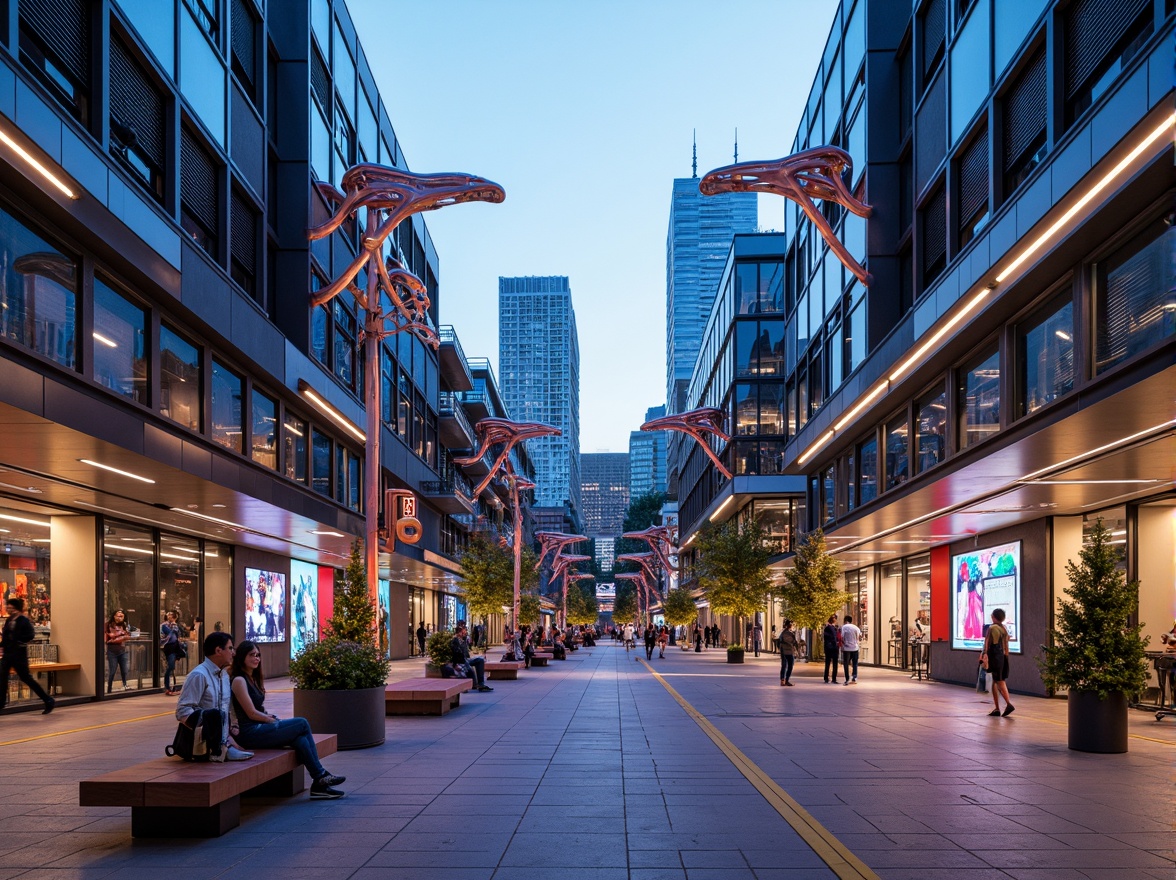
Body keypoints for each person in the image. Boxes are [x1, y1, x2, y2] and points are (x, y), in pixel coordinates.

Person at [229, 640, 346, 798]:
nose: (256, 658)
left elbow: (258, 711)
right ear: (242, 657)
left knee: (299, 740)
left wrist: (268, 717)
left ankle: (319, 783)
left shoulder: (253, 679)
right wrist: (269, 720)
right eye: (251, 655)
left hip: (259, 728)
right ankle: (321, 776)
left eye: (258, 655)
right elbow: (251, 713)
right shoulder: (239, 680)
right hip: (249, 733)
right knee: (302, 723)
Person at [175, 632, 253, 761]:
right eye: (230, 648)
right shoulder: (199, 675)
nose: (233, 653)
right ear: (218, 650)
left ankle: (223, 748)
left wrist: (227, 737)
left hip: (221, 746)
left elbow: (226, 708)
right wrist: (206, 727)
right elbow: (182, 711)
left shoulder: (224, 675)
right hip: (202, 747)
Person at [0, 598, 54, 713]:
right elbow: (6, 636)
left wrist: (19, 641)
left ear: (17, 609)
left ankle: (47, 699)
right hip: (8, 653)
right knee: (2, 677)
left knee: (26, 678)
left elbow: (30, 635)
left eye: (11, 608)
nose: (9, 610)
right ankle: (1, 702)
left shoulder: (23, 620)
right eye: (8, 607)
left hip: (19, 655)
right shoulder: (9, 620)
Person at [981, 608, 1014, 717]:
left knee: (999, 681)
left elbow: (990, 644)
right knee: (996, 681)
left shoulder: (992, 628)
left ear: (994, 617)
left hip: (995, 657)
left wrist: (985, 656)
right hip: (1004, 657)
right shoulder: (1003, 628)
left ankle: (1008, 704)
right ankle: (997, 708)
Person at [451, 624, 492, 691]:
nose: (466, 632)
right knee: (470, 669)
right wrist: (455, 664)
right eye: (464, 631)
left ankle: (481, 683)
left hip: (466, 659)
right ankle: (476, 684)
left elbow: (466, 652)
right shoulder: (455, 640)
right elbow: (456, 654)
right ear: (459, 632)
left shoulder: (463, 640)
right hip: (462, 661)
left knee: (480, 660)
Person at [104, 609, 132, 693]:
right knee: (112, 671)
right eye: (118, 616)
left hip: (122, 650)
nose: (120, 618)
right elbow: (108, 638)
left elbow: (128, 636)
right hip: (112, 651)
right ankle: (109, 688)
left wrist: (116, 637)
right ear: (114, 616)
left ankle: (125, 685)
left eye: (122, 616)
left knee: (125, 670)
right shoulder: (108, 625)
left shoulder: (124, 625)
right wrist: (121, 635)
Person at [160, 611, 184, 696]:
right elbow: (166, 635)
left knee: (172, 667)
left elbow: (179, 635)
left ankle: (173, 686)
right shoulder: (164, 625)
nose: (170, 617)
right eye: (168, 615)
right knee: (170, 666)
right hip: (168, 647)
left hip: (175, 647)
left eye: (172, 616)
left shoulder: (176, 626)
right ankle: (167, 686)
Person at [840, 614, 862, 685]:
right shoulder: (856, 627)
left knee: (846, 664)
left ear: (845, 621)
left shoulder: (844, 627)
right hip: (855, 648)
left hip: (847, 648)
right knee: (855, 664)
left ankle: (847, 678)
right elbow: (860, 636)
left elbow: (842, 637)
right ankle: (854, 677)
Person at [778, 619, 799, 686]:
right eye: (791, 624)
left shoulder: (784, 633)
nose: (792, 625)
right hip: (788, 651)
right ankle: (785, 680)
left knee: (785, 665)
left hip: (785, 651)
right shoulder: (788, 633)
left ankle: (783, 680)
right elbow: (793, 642)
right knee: (788, 665)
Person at [822, 615, 841, 683]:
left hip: (830, 648)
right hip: (832, 648)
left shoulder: (832, 628)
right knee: (832, 664)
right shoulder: (829, 628)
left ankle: (829, 678)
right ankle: (831, 678)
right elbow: (831, 638)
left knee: (829, 663)